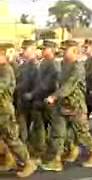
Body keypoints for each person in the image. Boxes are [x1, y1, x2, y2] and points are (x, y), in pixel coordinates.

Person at [40, 40, 92, 172]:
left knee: (82, 134)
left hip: (75, 106)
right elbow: (60, 83)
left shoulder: (78, 67)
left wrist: (53, 96)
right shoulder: (63, 64)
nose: (62, 52)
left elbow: (68, 86)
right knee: (58, 133)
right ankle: (56, 160)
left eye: (65, 50)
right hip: (62, 105)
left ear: (74, 51)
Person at [0, 42, 37, 178]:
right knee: (5, 139)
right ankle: (10, 160)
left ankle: (28, 163)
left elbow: (2, 87)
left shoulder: (6, 70)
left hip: (4, 111)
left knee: (12, 139)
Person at [24, 40, 60, 159]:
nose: (42, 50)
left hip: (49, 100)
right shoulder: (44, 63)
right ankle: (40, 151)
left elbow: (46, 84)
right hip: (40, 100)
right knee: (39, 127)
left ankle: (59, 153)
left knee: (55, 128)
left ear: (52, 50)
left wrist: (32, 94)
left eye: (45, 49)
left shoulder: (54, 65)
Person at [15, 40, 39, 143]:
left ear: (32, 50)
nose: (22, 51)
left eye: (25, 49)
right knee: (23, 125)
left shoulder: (36, 66)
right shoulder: (23, 66)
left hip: (31, 101)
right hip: (22, 100)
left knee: (31, 126)